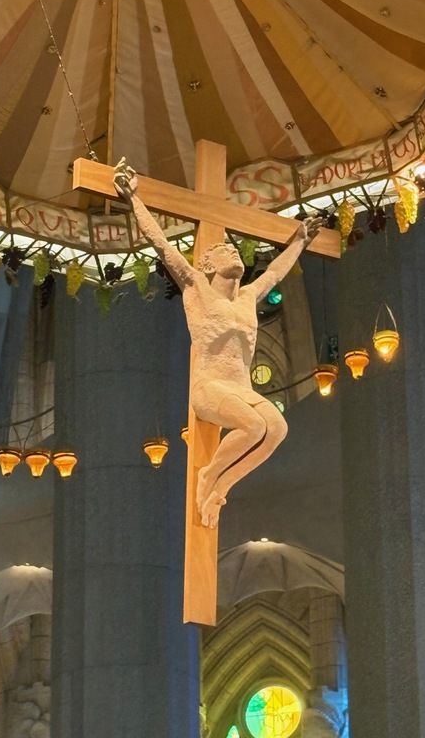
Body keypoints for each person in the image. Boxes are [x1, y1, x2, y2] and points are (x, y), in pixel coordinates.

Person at [114, 158, 323, 528]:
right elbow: (162, 246)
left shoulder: (248, 297)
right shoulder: (196, 287)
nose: (235, 253)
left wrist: (300, 241)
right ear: (209, 265)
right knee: (253, 426)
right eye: (226, 251)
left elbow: (275, 272)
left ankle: (219, 485)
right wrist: (134, 200)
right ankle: (210, 475)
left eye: (235, 251)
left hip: (241, 387)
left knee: (277, 429)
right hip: (210, 386)